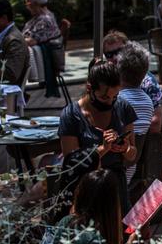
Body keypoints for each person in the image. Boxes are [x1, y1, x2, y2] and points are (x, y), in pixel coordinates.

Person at [59, 61, 137, 213]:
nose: (110, 102)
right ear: (90, 88)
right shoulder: (71, 115)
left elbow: (132, 155)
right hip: (85, 185)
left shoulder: (123, 107)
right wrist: (103, 149)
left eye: (115, 96)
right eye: (104, 97)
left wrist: (125, 148)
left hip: (115, 183)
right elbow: (73, 164)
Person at [103, 30, 162, 133]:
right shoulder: (105, 80)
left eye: (118, 52)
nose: (114, 57)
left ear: (128, 50)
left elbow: (156, 123)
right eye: (109, 54)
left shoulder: (146, 80)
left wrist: (129, 135)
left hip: (141, 143)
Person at [115, 42, 154, 183]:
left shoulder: (117, 100)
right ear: (144, 74)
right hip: (130, 169)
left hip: (114, 170)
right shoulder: (148, 102)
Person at [22, 0, 63, 98]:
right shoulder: (40, 17)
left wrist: (15, 39)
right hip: (37, 56)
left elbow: (31, 41)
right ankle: (17, 95)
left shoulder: (45, 19)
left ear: (34, 3)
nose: (26, 5)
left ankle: (16, 95)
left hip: (49, 60)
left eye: (27, 2)